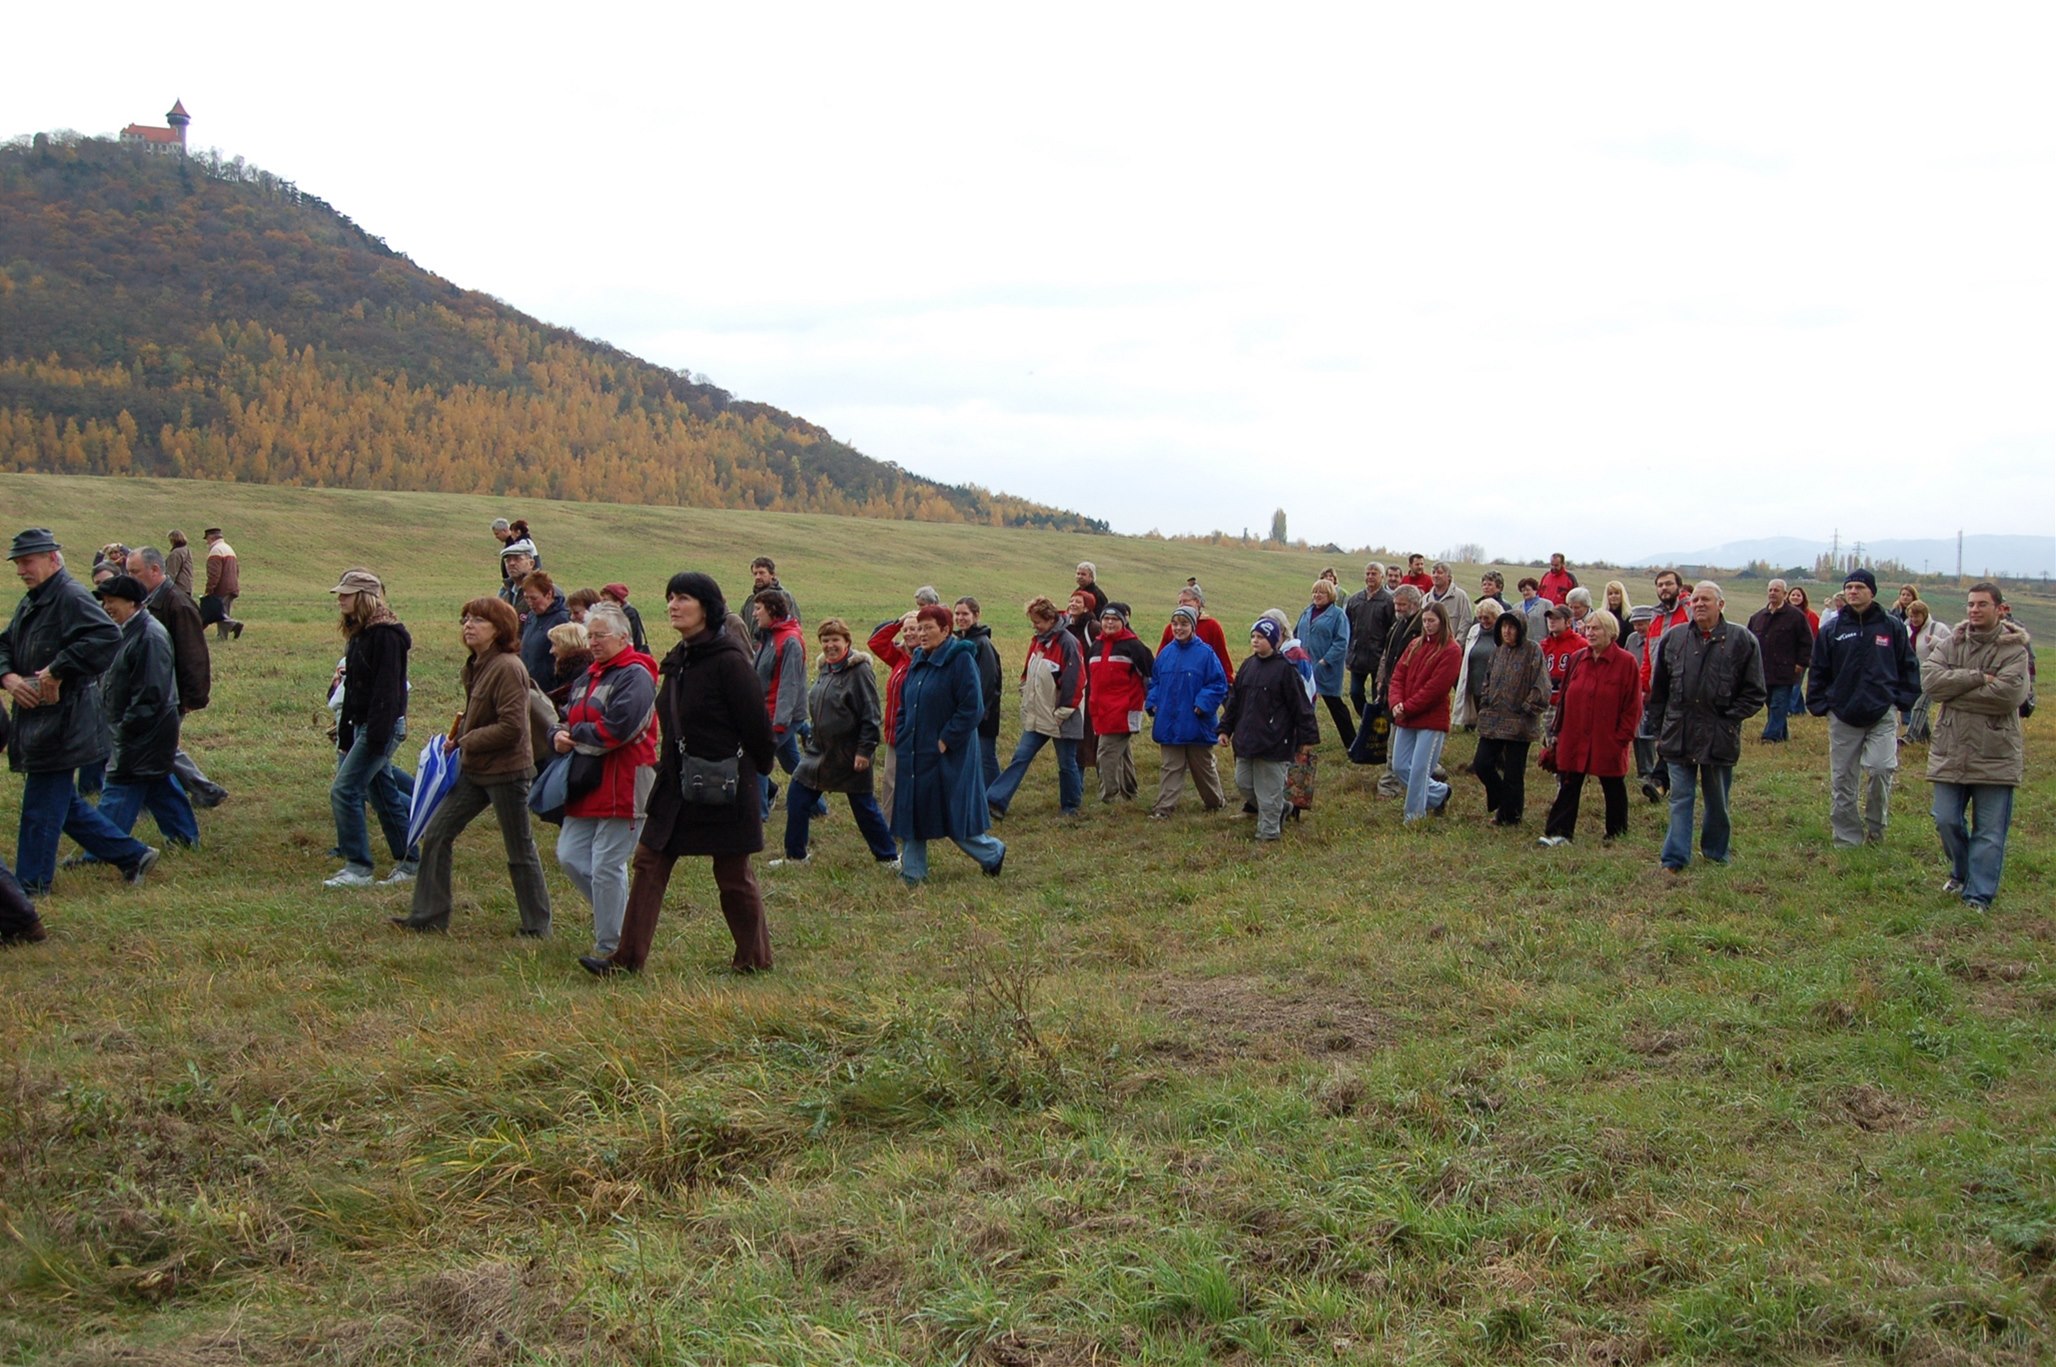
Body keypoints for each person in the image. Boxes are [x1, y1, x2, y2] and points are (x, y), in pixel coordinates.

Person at [587, 573, 775, 975]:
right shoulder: (681, 659)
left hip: (724, 784)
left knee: (733, 875)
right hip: (676, 784)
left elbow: (757, 725)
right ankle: (626, 960)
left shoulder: (730, 661)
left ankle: (754, 960)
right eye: (670, 596)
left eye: (683, 597)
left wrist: (754, 776)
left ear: (706, 606)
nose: (673, 604)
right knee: (649, 862)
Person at [1, 529, 161, 896]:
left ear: (53, 559)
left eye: (28, 561)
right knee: (63, 804)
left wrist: (58, 669)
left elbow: (106, 636)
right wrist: (8, 677)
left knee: (40, 809)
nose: (21, 569)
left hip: (65, 721)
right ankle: (133, 855)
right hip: (40, 720)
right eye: (18, 563)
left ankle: (31, 887)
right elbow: (5, 644)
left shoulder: (70, 596)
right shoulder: (34, 600)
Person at [394, 597, 552, 936]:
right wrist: (459, 738)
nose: (468, 625)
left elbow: (512, 728)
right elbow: (483, 714)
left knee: (519, 849)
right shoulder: (477, 664)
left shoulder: (509, 667)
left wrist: (467, 741)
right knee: (436, 834)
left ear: (500, 630)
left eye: (479, 620)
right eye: (465, 618)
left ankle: (537, 927)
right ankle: (427, 918)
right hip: (475, 768)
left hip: (507, 771)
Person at [549, 602, 658, 962]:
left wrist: (573, 735)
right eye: (590, 635)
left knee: (608, 864)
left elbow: (619, 729)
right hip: (589, 781)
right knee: (570, 855)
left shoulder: (636, 675)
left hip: (626, 782)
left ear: (624, 637)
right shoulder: (589, 676)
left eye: (601, 635)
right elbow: (567, 717)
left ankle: (613, 946)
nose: (593, 642)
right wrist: (558, 734)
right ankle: (628, 923)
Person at [1923, 583, 2031, 912]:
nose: (1974, 610)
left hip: (1994, 752)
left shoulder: (2015, 651)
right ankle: (1962, 871)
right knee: (1946, 819)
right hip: (1950, 748)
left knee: (1990, 830)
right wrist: (1979, 677)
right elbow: (1930, 682)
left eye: (1982, 604)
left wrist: (1954, 688)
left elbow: (2009, 697)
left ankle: (1978, 896)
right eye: (1970, 604)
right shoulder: (1950, 643)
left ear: (2000, 609)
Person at [1646, 580, 1766, 873]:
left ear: (1721, 605)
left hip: (1718, 736)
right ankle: (1674, 859)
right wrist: (1659, 731)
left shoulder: (1742, 640)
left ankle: (1715, 853)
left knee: (1717, 801)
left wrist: (1729, 718)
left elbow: (1755, 692)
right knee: (1680, 798)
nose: (1698, 604)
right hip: (1679, 733)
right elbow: (1658, 691)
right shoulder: (1674, 639)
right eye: (1695, 600)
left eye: (1706, 600)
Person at [891, 604, 1006, 883]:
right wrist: (905, 733)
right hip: (915, 750)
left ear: (945, 630)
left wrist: (945, 740)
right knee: (913, 810)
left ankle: (992, 853)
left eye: (928, 627)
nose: (921, 633)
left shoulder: (961, 659)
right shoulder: (918, 659)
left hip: (948, 754)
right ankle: (913, 873)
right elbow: (906, 702)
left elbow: (972, 708)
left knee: (953, 815)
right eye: (919, 627)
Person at [773, 618, 899, 870]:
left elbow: (871, 714)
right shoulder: (825, 669)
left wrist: (865, 750)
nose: (830, 646)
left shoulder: (859, 671)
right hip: (818, 753)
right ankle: (796, 856)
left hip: (849, 754)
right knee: (797, 797)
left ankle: (889, 858)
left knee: (864, 807)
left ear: (847, 642)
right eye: (825, 640)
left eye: (835, 640)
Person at [1807, 568, 1920, 848]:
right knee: (1843, 780)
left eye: (1859, 587)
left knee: (1881, 769)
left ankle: (1876, 829)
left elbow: (1908, 665)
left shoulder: (1891, 627)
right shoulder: (1832, 629)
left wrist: (1901, 701)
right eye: (1849, 587)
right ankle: (1846, 839)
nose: (1853, 592)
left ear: (1872, 591)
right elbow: (1819, 668)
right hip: (1843, 715)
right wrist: (1822, 705)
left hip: (1881, 713)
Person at [91, 575, 199, 853]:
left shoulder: (149, 636)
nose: (106, 607)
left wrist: (128, 729)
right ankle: (185, 838)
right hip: (143, 729)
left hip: (143, 729)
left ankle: (100, 851)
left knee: (117, 787)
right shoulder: (127, 630)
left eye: (111, 601)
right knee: (158, 781)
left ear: (133, 603)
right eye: (104, 602)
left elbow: (151, 693)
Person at [323, 569, 416, 888]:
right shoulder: (360, 633)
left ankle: (358, 867)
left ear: (364, 597)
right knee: (383, 795)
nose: (340, 600)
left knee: (345, 790)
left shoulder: (386, 636)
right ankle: (411, 862)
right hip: (363, 725)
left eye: (346, 594)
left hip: (381, 727)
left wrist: (374, 738)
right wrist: (347, 733)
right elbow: (354, 689)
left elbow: (388, 692)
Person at [127, 547, 226, 807]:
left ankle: (199, 791)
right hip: (155, 690)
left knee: (157, 746)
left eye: (134, 572)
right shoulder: (149, 601)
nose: (130, 578)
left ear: (156, 570)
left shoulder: (178, 604)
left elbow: (193, 655)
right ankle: (201, 790)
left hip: (172, 693)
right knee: (158, 745)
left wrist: (191, 697)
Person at [1538, 609, 1641, 846]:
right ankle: (1558, 833)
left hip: (1608, 737)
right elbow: (1563, 697)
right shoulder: (1577, 659)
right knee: (1569, 783)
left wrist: (1621, 738)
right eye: (1588, 628)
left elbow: (1633, 706)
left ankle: (1616, 833)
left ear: (1611, 633)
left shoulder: (1626, 663)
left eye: (1597, 629)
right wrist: (1558, 733)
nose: (1590, 633)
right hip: (1574, 735)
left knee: (1613, 784)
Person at [986, 595, 1085, 820]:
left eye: (1038, 622)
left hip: (1062, 717)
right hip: (1038, 714)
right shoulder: (1038, 640)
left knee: (1066, 763)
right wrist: (1024, 687)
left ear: (1050, 619)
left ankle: (1070, 807)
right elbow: (1028, 670)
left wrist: (1063, 712)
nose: (1035, 626)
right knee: (1021, 756)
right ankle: (995, 801)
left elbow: (1075, 680)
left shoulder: (1068, 643)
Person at [1220, 617, 1318, 841]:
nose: (1255, 641)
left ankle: (1268, 833)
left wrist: (1307, 737)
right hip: (1246, 740)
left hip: (1275, 741)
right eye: (1253, 637)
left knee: (1269, 791)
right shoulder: (1247, 665)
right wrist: (1225, 728)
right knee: (1243, 782)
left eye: (1261, 637)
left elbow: (1300, 706)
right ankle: (1282, 808)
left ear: (1274, 641)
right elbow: (1235, 702)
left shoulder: (1286, 670)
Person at [1146, 605, 1229, 818]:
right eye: (1175, 624)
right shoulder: (1165, 654)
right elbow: (1155, 682)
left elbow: (1218, 684)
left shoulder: (1206, 654)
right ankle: (1164, 808)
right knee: (1170, 767)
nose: (1178, 628)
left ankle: (1215, 802)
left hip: (1196, 722)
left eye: (1183, 624)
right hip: (1169, 722)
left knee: (1203, 768)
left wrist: (1203, 704)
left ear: (1192, 626)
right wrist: (1153, 701)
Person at [1385, 601, 1463, 823]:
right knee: (1400, 766)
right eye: (1425, 621)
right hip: (1405, 716)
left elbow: (1436, 689)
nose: (1427, 625)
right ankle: (1439, 793)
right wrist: (1396, 703)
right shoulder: (1415, 646)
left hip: (1430, 719)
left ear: (1442, 621)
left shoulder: (1451, 650)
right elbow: (1398, 675)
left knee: (1420, 769)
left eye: (1432, 621)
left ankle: (1413, 817)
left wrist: (1407, 706)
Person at [1472, 610, 1548, 826]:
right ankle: (1503, 799)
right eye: (1504, 626)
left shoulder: (1533, 650)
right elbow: (1487, 680)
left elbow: (1541, 684)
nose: (1507, 631)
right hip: (1493, 720)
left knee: (1514, 773)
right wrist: (1485, 701)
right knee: (1482, 763)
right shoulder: (1498, 652)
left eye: (1512, 627)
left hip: (1520, 722)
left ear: (1521, 629)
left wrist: (1527, 707)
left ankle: (1510, 816)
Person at [751, 587, 815, 820]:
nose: (754, 614)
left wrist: (779, 722)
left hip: (783, 715)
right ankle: (818, 807)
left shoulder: (789, 641)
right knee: (792, 763)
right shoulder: (768, 636)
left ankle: (758, 814)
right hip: (768, 712)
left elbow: (790, 685)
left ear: (772, 610)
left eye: (758, 609)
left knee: (757, 759)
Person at [1636, 569, 1694, 799]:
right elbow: (1650, 656)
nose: (1664, 588)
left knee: (1672, 734)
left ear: (1679, 587)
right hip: (1658, 688)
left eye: (1668, 584)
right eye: (1660, 585)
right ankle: (1664, 781)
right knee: (1663, 734)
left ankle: (1660, 781)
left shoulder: (1690, 611)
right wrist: (1644, 686)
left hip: (1684, 687)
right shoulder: (1656, 617)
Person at [1087, 603, 1153, 803]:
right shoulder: (1096, 646)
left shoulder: (1134, 646)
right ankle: (1130, 793)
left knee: (1105, 753)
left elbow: (1150, 675)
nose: (1109, 623)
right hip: (1102, 710)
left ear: (1123, 622)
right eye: (1106, 619)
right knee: (1122, 752)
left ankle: (1108, 797)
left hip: (1124, 709)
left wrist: (1150, 704)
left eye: (1114, 619)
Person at [1363, 584, 1425, 790]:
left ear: (1415, 604)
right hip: (1392, 688)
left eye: (1402, 604)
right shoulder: (1398, 625)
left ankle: (1389, 785)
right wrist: (1381, 681)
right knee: (1401, 738)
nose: (1397, 608)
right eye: (1396, 604)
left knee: (1398, 740)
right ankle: (1433, 772)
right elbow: (1386, 656)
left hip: (1409, 693)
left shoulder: (1422, 627)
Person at [1746, 578, 1814, 743]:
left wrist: (1801, 663)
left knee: (1779, 703)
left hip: (1786, 670)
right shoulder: (1758, 617)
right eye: (1770, 590)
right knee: (1771, 703)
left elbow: (1806, 641)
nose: (1772, 593)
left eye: (1776, 590)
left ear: (1785, 594)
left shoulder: (1796, 617)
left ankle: (1771, 736)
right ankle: (1782, 734)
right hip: (1764, 670)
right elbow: (1748, 643)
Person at [867, 611, 920, 818]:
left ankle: (909, 821)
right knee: (891, 778)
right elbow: (876, 643)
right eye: (906, 630)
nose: (908, 633)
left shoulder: (926, 657)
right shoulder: (899, 656)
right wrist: (898, 622)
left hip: (914, 730)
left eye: (914, 628)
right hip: (894, 730)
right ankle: (889, 822)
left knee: (910, 779)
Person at [1296, 578, 1354, 748]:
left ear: (1330, 595)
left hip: (1326, 669)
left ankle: (1351, 743)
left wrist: (1324, 661)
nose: (1317, 595)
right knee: (1304, 704)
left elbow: (1341, 642)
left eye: (1321, 592)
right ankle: (1304, 740)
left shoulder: (1338, 615)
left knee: (1335, 706)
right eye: (1315, 591)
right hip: (1305, 667)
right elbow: (1296, 632)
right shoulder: (1307, 612)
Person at [953, 597, 1004, 793]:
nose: (960, 618)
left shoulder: (982, 643)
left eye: (965, 614)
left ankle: (994, 796)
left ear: (976, 615)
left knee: (985, 757)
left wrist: (978, 712)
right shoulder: (961, 641)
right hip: (966, 710)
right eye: (957, 614)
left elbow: (988, 682)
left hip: (983, 713)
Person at [1344, 563, 1394, 721]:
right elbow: (1347, 626)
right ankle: (1367, 719)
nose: (1370, 577)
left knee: (1378, 695)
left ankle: (1377, 729)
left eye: (1374, 573)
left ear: (1382, 577)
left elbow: (1392, 629)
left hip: (1378, 657)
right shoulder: (1355, 599)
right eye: (1368, 573)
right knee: (1355, 693)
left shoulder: (1388, 601)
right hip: (1357, 656)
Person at [1157, 585, 1235, 682]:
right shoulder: (1171, 629)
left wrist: (1227, 681)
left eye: (1185, 601)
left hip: (1203, 681)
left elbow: (1222, 655)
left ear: (1197, 602)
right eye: (1179, 602)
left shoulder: (1212, 626)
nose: (1182, 605)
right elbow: (1160, 659)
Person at [1451, 597, 1503, 729]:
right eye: (1480, 618)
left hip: (1495, 681)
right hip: (1475, 677)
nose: (1483, 621)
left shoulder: (1503, 633)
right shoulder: (1474, 630)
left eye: (1487, 618)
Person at [517, 571, 570, 687]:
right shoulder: (531, 616)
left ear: (549, 594)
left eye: (534, 598)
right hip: (528, 685)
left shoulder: (562, 619)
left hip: (549, 688)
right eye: (526, 598)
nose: (530, 603)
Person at [201, 527, 243, 640]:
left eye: (207, 539)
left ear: (212, 537)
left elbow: (214, 574)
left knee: (218, 614)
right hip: (232, 586)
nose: (207, 542)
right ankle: (222, 637)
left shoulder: (215, 551)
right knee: (224, 612)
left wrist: (209, 589)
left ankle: (234, 625)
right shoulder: (229, 548)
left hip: (221, 588)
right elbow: (237, 570)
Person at [747, 557, 798, 645]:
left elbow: (792, 625)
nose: (758, 577)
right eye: (755, 573)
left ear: (772, 575)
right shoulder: (750, 601)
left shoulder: (784, 597)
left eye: (762, 573)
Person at [545, 621, 593, 714]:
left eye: (555, 645)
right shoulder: (570, 670)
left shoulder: (579, 673)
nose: (551, 651)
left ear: (567, 645)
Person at [1425, 563, 1472, 643]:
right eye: (1433, 572)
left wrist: (1457, 645)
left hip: (1451, 648)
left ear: (1449, 576)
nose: (1436, 575)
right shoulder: (1426, 599)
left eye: (1440, 573)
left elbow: (1466, 622)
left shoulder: (1460, 596)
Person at [601, 583, 647, 654]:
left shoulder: (629, 615)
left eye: (606, 600)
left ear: (618, 602)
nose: (602, 603)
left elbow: (636, 639)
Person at [1516, 576, 1550, 643]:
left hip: (1541, 643)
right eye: (1523, 590)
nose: (1525, 593)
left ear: (1535, 590)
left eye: (1528, 590)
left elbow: (1550, 626)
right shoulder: (1516, 606)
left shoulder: (1546, 604)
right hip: (1522, 644)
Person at [163, 529, 194, 597]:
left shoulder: (176, 553)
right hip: (187, 587)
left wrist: (166, 588)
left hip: (179, 588)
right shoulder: (186, 550)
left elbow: (171, 572)